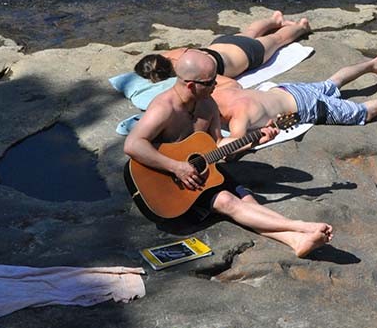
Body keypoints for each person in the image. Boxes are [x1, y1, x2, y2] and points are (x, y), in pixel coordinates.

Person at [123, 49, 333, 257]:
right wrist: (176, 167)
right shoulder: (164, 108)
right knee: (225, 200)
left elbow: (218, 144)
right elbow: (133, 144)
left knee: (247, 199)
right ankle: (302, 227)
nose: (216, 85)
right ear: (190, 85)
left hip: (201, 174)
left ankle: (295, 241)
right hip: (170, 190)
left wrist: (252, 141)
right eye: (210, 82)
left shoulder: (207, 104)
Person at [213, 55, 377, 138]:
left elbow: (233, 145)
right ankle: (373, 64)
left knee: (363, 112)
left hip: (305, 108)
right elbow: (228, 80)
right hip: (285, 90)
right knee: (330, 84)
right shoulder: (220, 89)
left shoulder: (238, 118)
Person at [135, 11, 311, 83]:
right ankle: (275, 19)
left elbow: (225, 85)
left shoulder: (187, 76)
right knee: (250, 31)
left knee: (277, 39)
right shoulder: (173, 54)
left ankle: (302, 27)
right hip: (220, 44)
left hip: (243, 55)